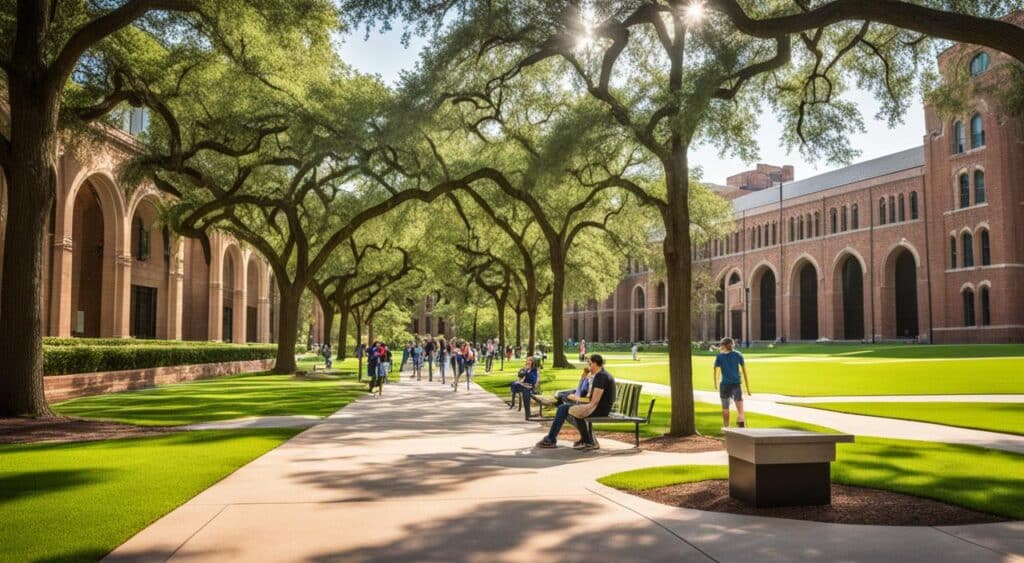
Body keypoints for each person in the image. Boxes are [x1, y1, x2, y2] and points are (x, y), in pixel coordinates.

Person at [536, 354, 615, 450]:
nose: (588, 365)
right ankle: (585, 440)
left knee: (567, 410)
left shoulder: (601, 377)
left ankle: (552, 439)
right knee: (564, 408)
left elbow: (594, 401)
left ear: (595, 363)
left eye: (589, 363)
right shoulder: (599, 375)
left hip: (600, 409)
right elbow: (590, 397)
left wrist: (576, 399)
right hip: (596, 407)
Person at [714, 337, 751, 428]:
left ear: (723, 346)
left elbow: (715, 371)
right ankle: (741, 421)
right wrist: (748, 388)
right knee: (740, 408)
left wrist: (715, 383)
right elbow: (744, 371)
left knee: (725, 408)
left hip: (724, 385)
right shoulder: (738, 354)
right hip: (736, 384)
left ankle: (726, 427)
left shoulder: (719, 356)